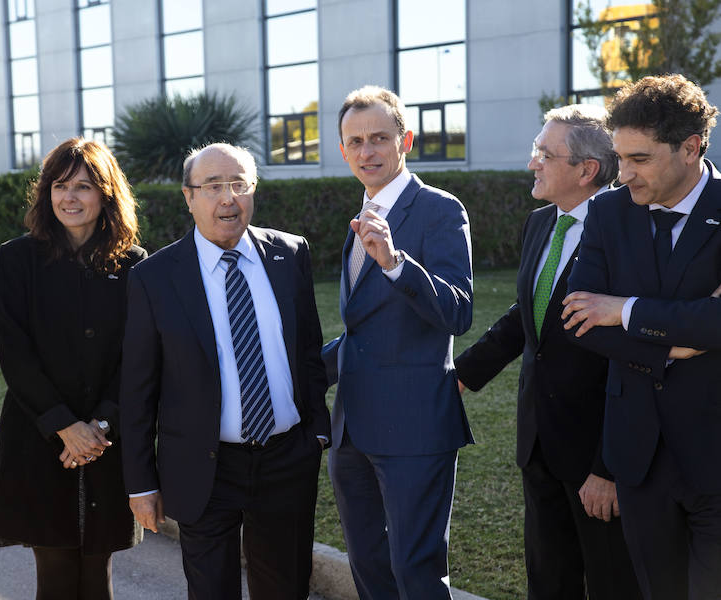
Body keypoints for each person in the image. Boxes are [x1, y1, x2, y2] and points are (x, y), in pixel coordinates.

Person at [119, 142, 330, 599]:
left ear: (253, 192)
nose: (227, 198)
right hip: (203, 466)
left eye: (239, 185)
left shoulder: (289, 255)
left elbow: (309, 352)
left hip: (286, 459)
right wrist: (140, 483)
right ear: (188, 196)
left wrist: (317, 432)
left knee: (286, 588)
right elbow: (138, 389)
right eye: (212, 186)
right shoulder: (155, 277)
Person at [454, 105, 641, 599]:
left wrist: (607, 467)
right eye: (534, 150)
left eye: (544, 153)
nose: (532, 163)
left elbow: (634, 363)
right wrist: (464, 373)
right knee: (548, 580)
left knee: (611, 582)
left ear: (587, 170)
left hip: (597, 459)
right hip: (538, 442)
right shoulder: (540, 223)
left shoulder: (629, 233)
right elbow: (528, 314)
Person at [562, 74, 721, 598]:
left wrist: (625, 310)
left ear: (691, 146)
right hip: (637, 456)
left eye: (640, 159)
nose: (622, 173)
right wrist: (674, 342)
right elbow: (580, 319)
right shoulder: (609, 211)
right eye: (619, 156)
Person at [322, 85, 473, 599]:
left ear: (404, 139)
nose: (367, 151)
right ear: (342, 150)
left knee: (415, 571)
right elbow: (364, 329)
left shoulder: (438, 210)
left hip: (414, 431)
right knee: (369, 568)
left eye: (379, 138)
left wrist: (395, 264)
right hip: (352, 433)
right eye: (355, 141)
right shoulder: (361, 213)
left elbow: (459, 312)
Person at [0, 138, 146, 599]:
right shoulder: (18, 258)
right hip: (40, 438)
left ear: (107, 195)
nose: (69, 197)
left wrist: (97, 425)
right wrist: (65, 427)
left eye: (83, 186)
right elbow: (14, 355)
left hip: (106, 443)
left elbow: (137, 358)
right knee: (55, 575)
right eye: (59, 186)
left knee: (97, 576)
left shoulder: (134, 265)